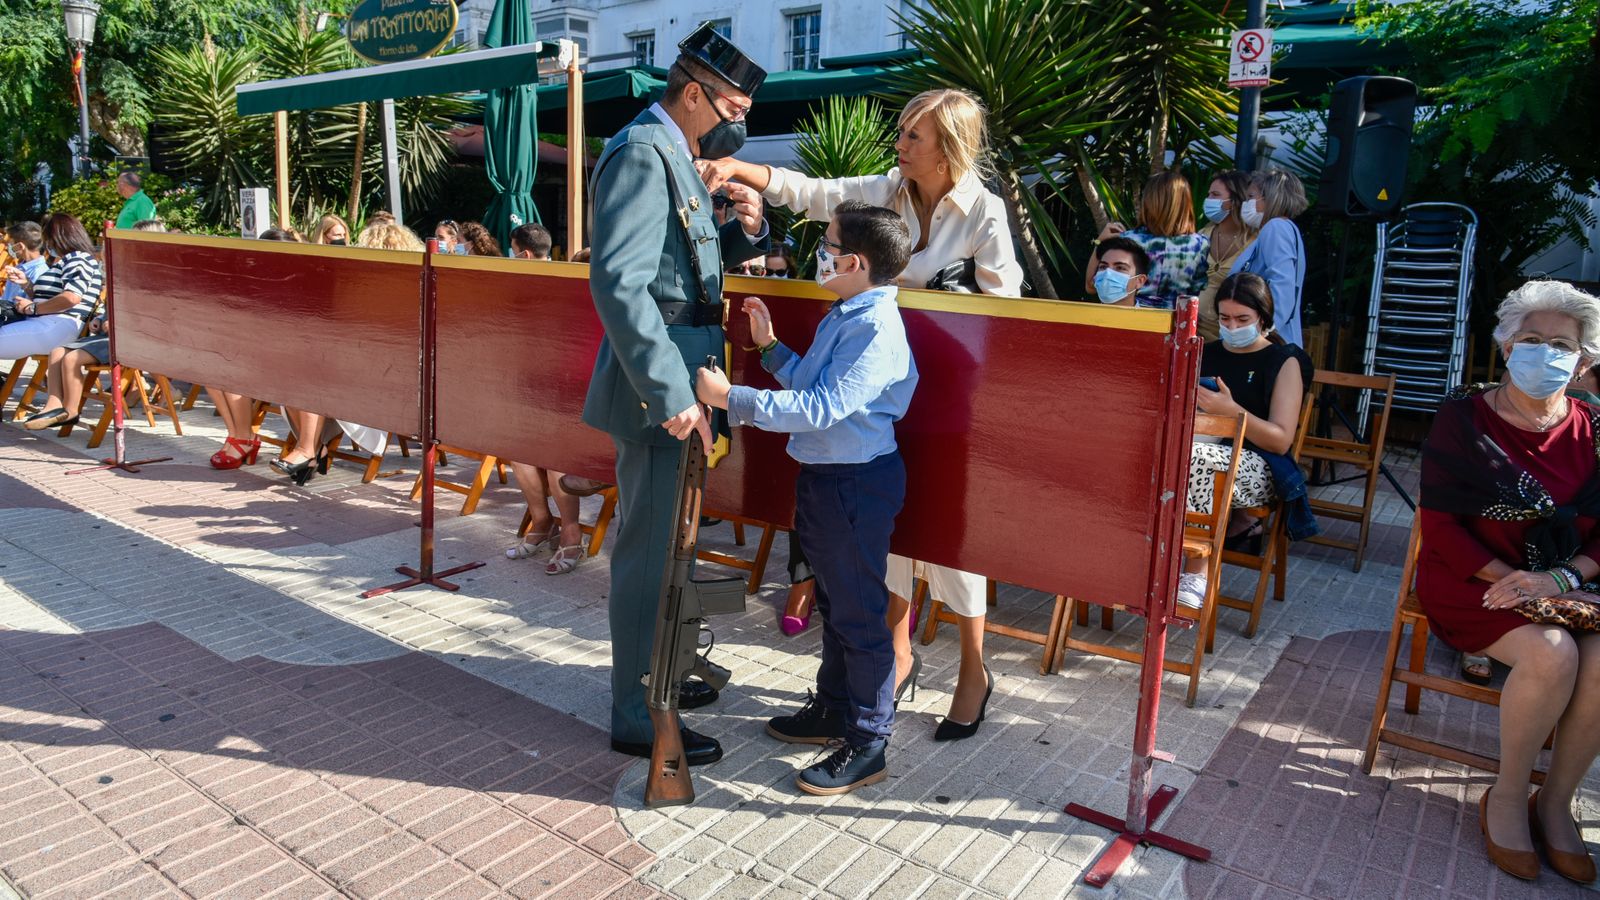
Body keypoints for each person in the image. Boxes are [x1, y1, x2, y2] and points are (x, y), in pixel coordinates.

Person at [698, 87, 1021, 740]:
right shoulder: (888, 190)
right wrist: (737, 169)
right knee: (885, 549)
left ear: (948, 149)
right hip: (881, 392)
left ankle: (971, 670)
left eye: (912, 137)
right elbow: (812, 192)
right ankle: (892, 659)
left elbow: (1007, 307)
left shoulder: (983, 211)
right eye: (901, 133)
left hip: (950, 393)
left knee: (956, 539)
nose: (899, 145)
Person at [583, 23, 770, 766]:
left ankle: (670, 668)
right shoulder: (641, 151)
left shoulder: (678, 154)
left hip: (686, 379)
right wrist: (667, 391)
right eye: (733, 105)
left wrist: (743, 231)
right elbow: (621, 283)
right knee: (653, 552)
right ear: (693, 94)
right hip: (660, 389)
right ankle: (638, 707)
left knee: (679, 547)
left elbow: (680, 268)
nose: (741, 121)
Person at [696, 201, 918, 795]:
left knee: (859, 613)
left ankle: (869, 740)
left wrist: (731, 399)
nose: (820, 251)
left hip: (854, 482)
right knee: (834, 601)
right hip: (831, 476)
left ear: (855, 261)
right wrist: (771, 350)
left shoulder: (873, 328)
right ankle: (834, 708)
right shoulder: (849, 311)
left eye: (829, 244)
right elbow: (816, 391)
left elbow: (821, 409)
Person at [1418, 280, 1600, 884]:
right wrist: (1518, 582)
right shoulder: (1462, 420)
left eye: (1560, 343)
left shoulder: (1596, 429)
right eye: (1531, 339)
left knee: (1599, 661)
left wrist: (1558, 578)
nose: (1545, 352)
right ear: (1505, 347)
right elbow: (1440, 528)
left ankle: (1554, 803)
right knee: (1553, 655)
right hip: (1474, 580)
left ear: (1583, 359)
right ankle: (1507, 795)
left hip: (1569, 584)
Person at [1177, 273, 1308, 608]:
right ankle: (1145, 553)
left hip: (1260, 464)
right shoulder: (1206, 353)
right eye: (1224, 318)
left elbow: (1280, 440)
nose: (1232, 326)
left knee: (1198, 458)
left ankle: (1196, 571)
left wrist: (1232, 411)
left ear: (1262, 318)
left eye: (1242, 319)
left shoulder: (1283, 360)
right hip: (1202, 447)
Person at [25, 220, 171, 433]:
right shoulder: (128, 270)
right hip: (112, 334)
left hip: (134, 337)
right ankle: (54, 405)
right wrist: (101, 318)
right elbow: (114, 304)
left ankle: (70, 411)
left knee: (72, 358)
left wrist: (118, 321)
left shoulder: (158, 277)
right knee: (57, 351)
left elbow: (153, 313)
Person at [505, 222, 586, 575]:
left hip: (587, 414)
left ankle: (571, 532)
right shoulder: (543, 293)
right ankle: (542, 522)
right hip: (554, 400)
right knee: (520, 453)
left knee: (555, 458)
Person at [4, 214, 104, 428]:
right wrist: (28, 286)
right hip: (51, 325)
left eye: (49, 239)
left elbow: (71, 298)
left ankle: (56, 407)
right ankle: (53, 405)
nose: (47, 245)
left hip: (56, 325)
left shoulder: (78, 258)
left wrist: (33, 308)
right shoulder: (71, 260)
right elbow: (58, 296)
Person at [1085, 170, 1209, 309]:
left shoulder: (1129, 240)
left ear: (1148, 202)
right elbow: (1199, 292)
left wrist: (1099, 243)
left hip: (1132, 321)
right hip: (1176, 324)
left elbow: (1091, 286)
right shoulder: (1199, 244)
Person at [1231, 169, 1309, 348]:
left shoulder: (1276, 228)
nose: (1246, 203)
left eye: (1251, 196)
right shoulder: (1282, 228)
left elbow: (1282, 285)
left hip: (1269, 344)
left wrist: (1263, 333)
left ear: (1270, 198)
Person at [1197, 171, 1257, 341]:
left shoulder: (1253, 242)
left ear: (1234, 202)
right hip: (1194, 332)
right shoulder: (1202, 235)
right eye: (1209, 194)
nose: (1208, 200)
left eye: (1215, 195)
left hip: (1230, 335)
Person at [1089, 236, 1151, 307]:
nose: (1108, 273)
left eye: (1120, 267)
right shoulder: (1079, 316)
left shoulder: (1150, 318)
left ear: (1140, 281)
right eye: (1103, 267)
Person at [3, 222, 48, 310]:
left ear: (20, 246)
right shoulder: (18, 268)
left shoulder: (41, 272)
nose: (7, 248)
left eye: (11, 245)